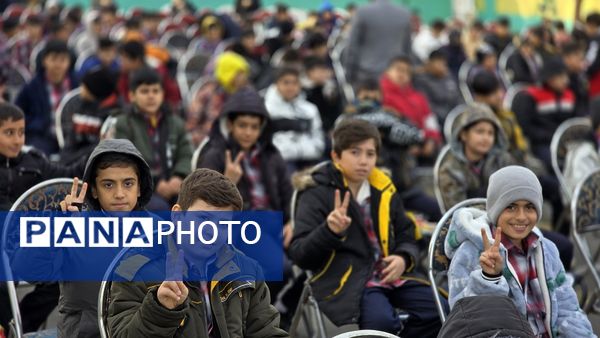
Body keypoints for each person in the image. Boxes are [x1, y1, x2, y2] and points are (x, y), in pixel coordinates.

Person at [289, 119, 445, 337]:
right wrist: (329, 231)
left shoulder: (383, 188)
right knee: (381, 323)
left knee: (440, 310)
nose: (363, 161)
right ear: (336, 156)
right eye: (355, 152)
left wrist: (403, 258)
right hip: (348, 279)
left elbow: (407, 233)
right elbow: (300, 254)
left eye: (370, 154)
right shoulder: (316, 193)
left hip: (392, 274)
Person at [107, 168, 290, 337]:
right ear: (177, 216)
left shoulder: (248, 270)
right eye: (203, 218)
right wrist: (161, 309)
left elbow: (266, 331)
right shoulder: (137, 269)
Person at [444, 165, 596, 337]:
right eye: (511, 207)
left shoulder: (547, 250)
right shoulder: (470, 252)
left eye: (530, 207)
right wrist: (489, 278)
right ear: (495, 209)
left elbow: (568, 310)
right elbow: (465, 320)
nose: (521, 217)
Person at [0, 102, 87, 332]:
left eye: (21, 132)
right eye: (9, 133)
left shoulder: (34, 163)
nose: (18, 140)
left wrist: (94, 155)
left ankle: (20, 327)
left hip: (28, 245)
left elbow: (68, 174)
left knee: (57, 279)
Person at [112, 67, 192, 211]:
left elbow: (186, 153)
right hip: (139, 188)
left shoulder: (175, 122)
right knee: (159, 207)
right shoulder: (124, 123)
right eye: (144, 91)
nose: (151, 96)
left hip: (174, 184)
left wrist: (179, 176)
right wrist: (155, 182)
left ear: (163, 94)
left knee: (191, 205)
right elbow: (126, 160)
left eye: (155, 91)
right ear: (132, 96)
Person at [438, 104, 515, 210]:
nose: (486, 138)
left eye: (490, 133)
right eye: (480, 131)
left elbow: (514, 197)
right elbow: (456, 211)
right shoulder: (450, 168)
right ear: (463, 135)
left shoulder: (503, 160)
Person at [512, 57, 576, 171]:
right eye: (561, 76)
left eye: (566, 76)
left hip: (567, 142)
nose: (566, 80)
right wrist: (550, 137)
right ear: (549, 79)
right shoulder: (530, 97)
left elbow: (574, 121)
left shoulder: (570, 95)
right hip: (542, 144)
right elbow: (526, 127)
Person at [15, 39, 79, 156]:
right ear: (44, 60)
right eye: (54, 59)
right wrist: (35, 125)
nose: (58, 65)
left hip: (72, 137)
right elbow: (18, 112)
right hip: (42, 136)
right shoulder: (32, 87)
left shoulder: (77, 84)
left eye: (63, 59)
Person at [380, 56, 442, 159]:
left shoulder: (419, 97)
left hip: (423, 144)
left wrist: (431, 139)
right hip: (395, 147)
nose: (402, 74)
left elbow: (431, 122)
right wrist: (408, 142)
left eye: (406, 72)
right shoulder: (380, 95)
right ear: (387, 71)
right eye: (398, 69)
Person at [264, 67, 325, 170]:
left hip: (310, 159)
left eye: (295, 83)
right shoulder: (267, 109)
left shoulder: (310, 109)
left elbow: (318, 137)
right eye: (286, 82)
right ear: (276, 84)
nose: (290, 87)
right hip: (280, 162)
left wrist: (312, 151)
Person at [343, 0, 412, 85]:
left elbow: (353, 47)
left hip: (367, 76)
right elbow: (407, 49)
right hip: (395, 77)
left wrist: (349, 75)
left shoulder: (363, 12)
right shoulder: (404, 14)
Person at [60, 66, 119, 164]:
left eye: (84, 87)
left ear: (94, 90)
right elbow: (70, 140)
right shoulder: (80, 106)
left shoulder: (113, 114)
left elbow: (101, 146)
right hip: (73, 162)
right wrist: (66, 160)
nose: (81, 89)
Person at [413, 49, 463, 124]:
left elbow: (458, 97)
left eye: (444, 63)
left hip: (454, 116)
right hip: (438, 120)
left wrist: (460, 112)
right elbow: (426, 105)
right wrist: (449, 117)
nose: (442, 66)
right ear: (429, 63)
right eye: (439, 63)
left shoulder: (448, 76)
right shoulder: (421, 80)